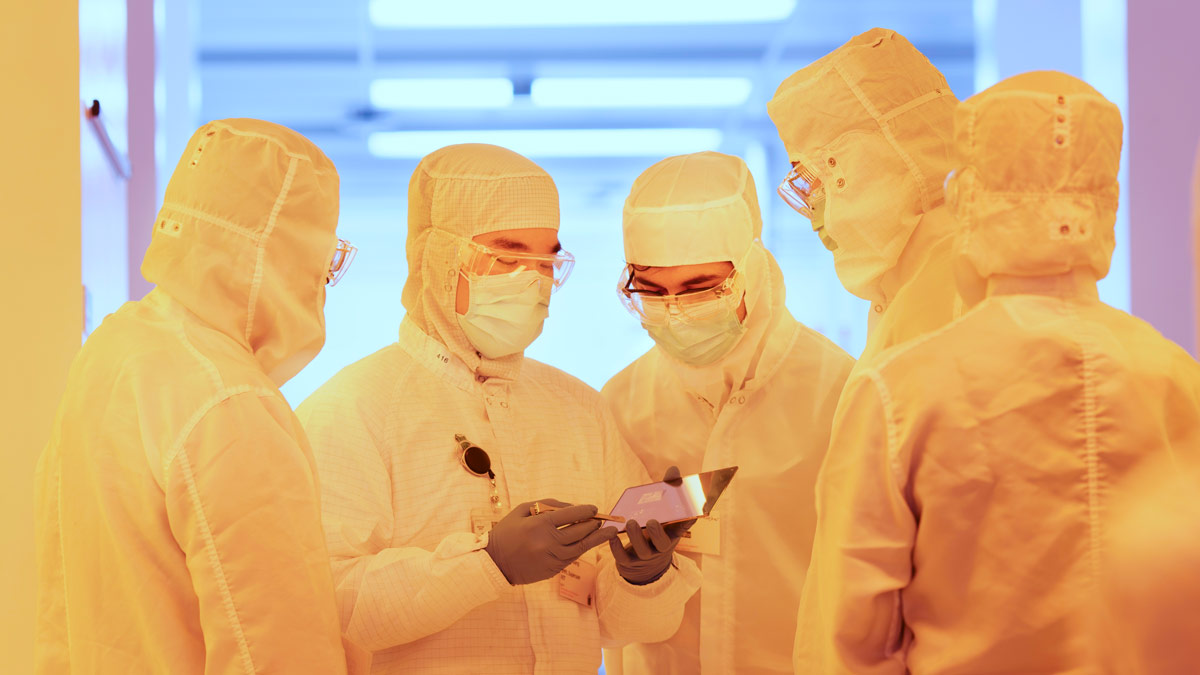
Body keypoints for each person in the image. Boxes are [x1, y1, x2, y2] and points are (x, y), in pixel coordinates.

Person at [793, 70, 1200, 674]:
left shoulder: (900, 391)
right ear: (1105, 202)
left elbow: (853, 639)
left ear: (970, 198)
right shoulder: (1175, 379)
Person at [296, 143, 702, 674]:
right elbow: (331, 607)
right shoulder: (353, 410)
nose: (531, 280)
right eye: (507, 257)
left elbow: (624, 629)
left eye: (545, 261)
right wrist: (487, 565)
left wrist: (643, 578)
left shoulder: (579, 409)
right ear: (437, 257)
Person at [35, 119, 367, 673]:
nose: (321, 279)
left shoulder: (119, 346)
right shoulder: (226, 399)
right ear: (283, 248)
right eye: (322, 254)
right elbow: (277, 648)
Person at [598, 152, 853, 674]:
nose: (675, 311)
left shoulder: (839, 389)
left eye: (700, 289)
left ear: (751, 269)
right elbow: (604, 599)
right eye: (651, 290)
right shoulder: (621, 401)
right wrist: (635, 577)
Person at [766, 27, 961, 362]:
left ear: (878, 164)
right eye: (808, 192)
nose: (816, 220)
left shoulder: (968, 293)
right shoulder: (900, 293)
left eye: (820, 182)